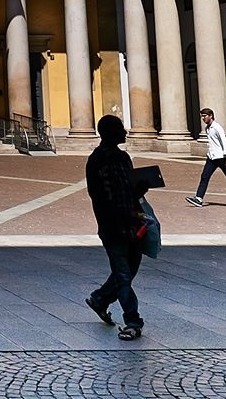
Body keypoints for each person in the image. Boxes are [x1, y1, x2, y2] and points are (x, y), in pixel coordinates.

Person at [84, 114, 150, 341]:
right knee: (123, 275)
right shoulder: (97, 160)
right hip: (113, 227)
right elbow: (100, 196)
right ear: (110, 133)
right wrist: (121, 215)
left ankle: (100, 299)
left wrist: (141, 188)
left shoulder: (124, 158)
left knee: (128, 272)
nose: (125, 131)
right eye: (121, 128)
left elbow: (129, 190)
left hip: (133, 225)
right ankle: (133, 321)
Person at [187, 108, 226, 208]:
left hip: (221, 158)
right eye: (202, 116)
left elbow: (224, 142)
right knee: (204, 177)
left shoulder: (217, 127)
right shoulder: (207, 128)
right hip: (211, 158)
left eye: (205, 116)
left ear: (211, 116)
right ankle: (198, 198)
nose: (203, 118)